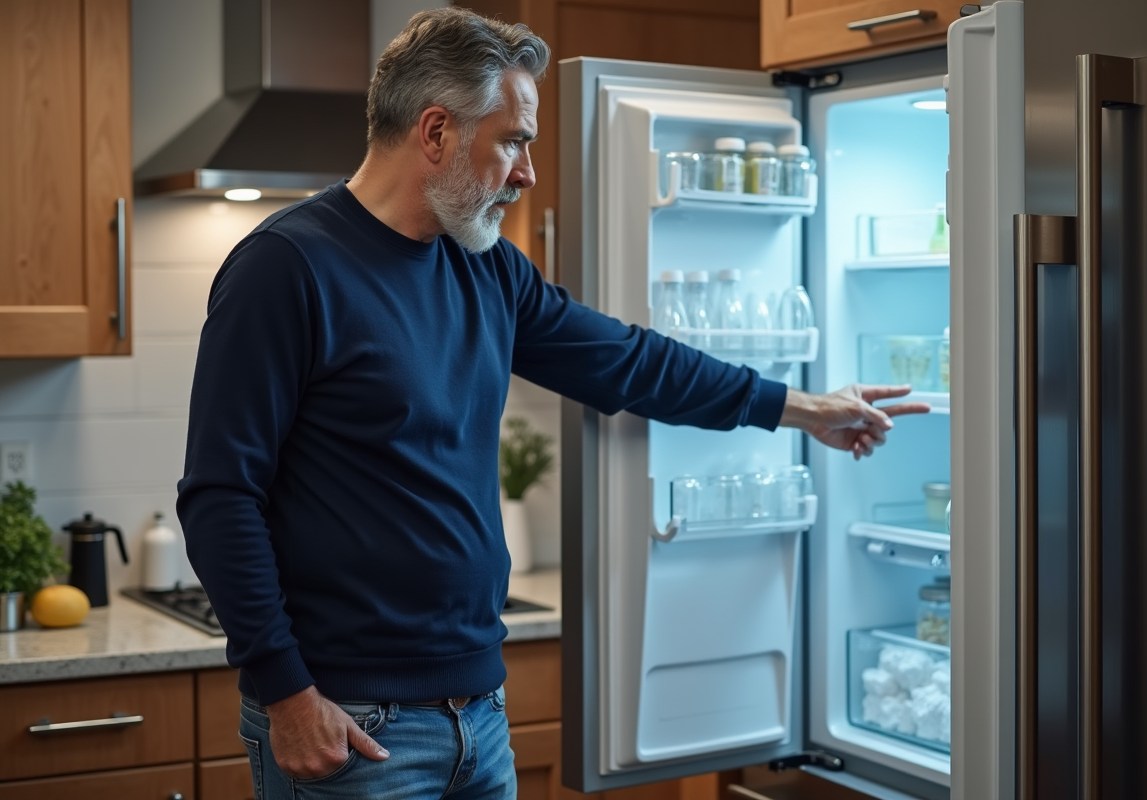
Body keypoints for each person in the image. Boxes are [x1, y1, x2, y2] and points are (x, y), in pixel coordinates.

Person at [176, 8, 929, 800]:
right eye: (514, 140)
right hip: (352, 723)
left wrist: (803, 408)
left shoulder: (489, 269)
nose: (529, 172)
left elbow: (630, 363)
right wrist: (288, 693)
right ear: (435, 133)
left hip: (480, 711)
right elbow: (222, 497)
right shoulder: (287, 269)